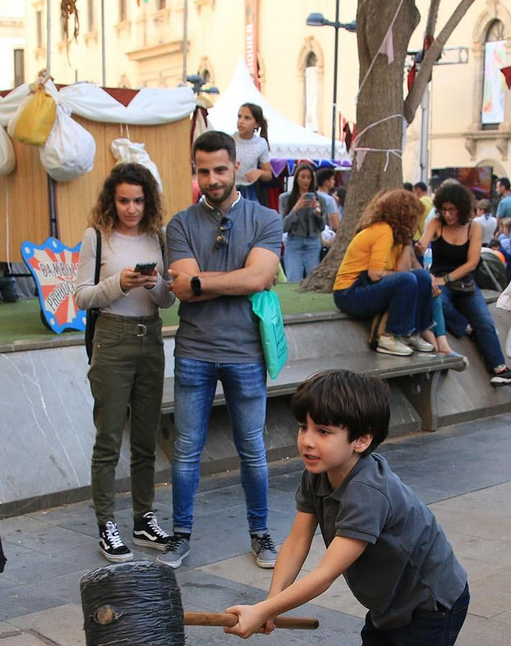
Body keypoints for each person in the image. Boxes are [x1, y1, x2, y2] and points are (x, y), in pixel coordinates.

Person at [224, 370, 469, 646]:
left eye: (323, 431)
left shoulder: (368, 492)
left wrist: (263, 610)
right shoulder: (318, 475)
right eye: (303, 427)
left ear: (361, 440)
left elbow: (325, 574)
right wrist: (270, 603)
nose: (307, 441)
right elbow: (297, 541)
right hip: (387, 603)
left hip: (432, 605)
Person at [162, 130, 285, 571]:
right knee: (185, 449)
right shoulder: (180, 224)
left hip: (247, 352)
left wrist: (200, 281)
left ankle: (260, 533)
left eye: (219, 169)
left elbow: (258, 278)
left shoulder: (266, 218)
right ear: (195, 172)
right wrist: (235, 279)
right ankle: (180, 535)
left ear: (236, 166)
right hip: (193, 351)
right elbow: (182, 289)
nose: (212, 179)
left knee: (252, 448)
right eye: (203, 171)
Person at [75, 162, 174, 563]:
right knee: (109, 438)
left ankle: (143, 517)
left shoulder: (158, 237)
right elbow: (81, 297)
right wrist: (119, 283)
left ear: (148, 201)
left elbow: (168, 300)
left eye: (138, 201)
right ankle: (106, 523)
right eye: (123, 201)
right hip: (113, 337)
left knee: (147, 438)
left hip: (151, 337)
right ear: (111, 201)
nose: (131, 209)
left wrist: (155, 283)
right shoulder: (96, 237)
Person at [417, 182, 511, 386]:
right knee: (439, 303)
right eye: (444, 209)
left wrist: (447, 278)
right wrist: (420, 249)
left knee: (485, 320)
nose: (447, 214)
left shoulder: (474, 227)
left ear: (461, 208)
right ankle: (465, 328)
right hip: (439, 280)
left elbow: (472, 263)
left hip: (463, 282)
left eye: (452, 210)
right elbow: (423, 242)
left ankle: (499, 368)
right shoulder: (437, 223)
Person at [332, 189, 435, 358]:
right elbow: (375, 274)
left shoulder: (397, 235)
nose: (417, 222)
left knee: (422, 277)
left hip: (367, 285)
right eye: (415, 217)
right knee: (407, 278)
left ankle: (412, 333)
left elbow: (402, 270)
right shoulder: (383, 231)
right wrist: (396, 275)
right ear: (405, 215)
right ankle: (389, 337)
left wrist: (407, 242)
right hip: (349, 292)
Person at [279, 162, 326, 282]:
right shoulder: (285, 198)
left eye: (309, 177)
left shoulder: (320, 199)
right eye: (303, 177)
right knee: (293, 279)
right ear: (296, 178)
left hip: (313, 242)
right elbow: (283, 226)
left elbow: (322, 227)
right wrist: (295, 209)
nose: (306, 181)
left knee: (313, 281)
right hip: (294, 242)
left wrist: (318, 213)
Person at [233, 104, 274, 198]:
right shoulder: (229, 140)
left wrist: (259, 172)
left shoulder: (261, 143)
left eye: (247, 118)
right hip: (229, 188)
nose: (241, 121)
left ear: (257, 124)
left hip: (249, 190)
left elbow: (268, 174)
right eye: (239, 116)